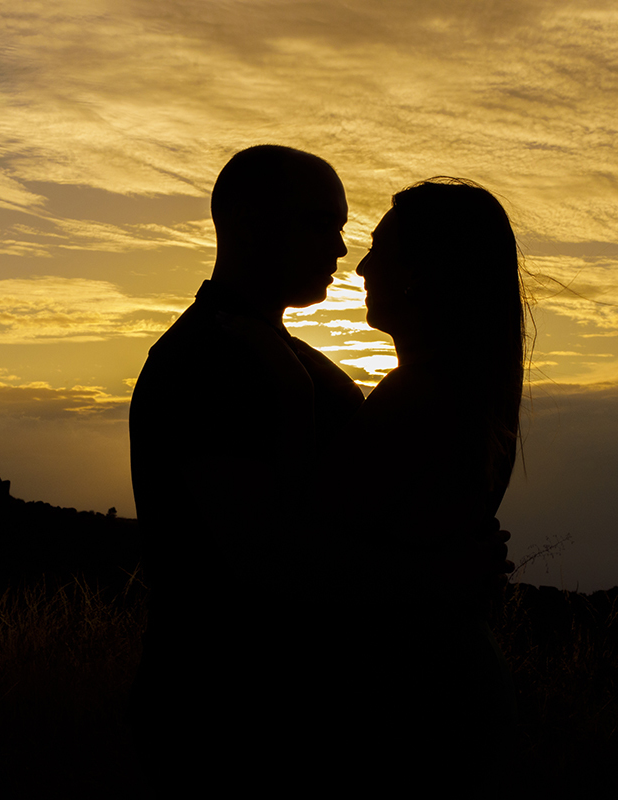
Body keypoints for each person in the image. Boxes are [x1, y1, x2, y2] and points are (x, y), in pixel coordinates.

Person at [127, 145, 364, 795]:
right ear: (255, 223)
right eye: (323, 224)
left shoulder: (264, 350)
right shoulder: (211, 362)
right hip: (227, 723)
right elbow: (269, 562)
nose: (341, 250)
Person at [345, 177, 524, 782]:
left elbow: (321, 555)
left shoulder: (418, 398)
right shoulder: (462, 392)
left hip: (415, 699)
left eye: (380, 249)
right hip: (446, 682)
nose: (362, 265)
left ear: (424, 272)